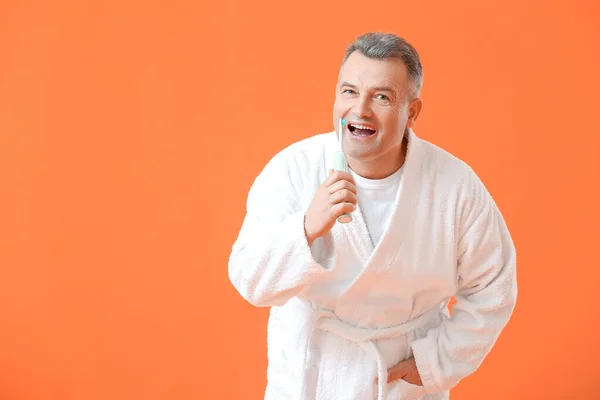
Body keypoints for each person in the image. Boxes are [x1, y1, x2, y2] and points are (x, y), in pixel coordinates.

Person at [228, 32, 517, 400]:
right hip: (309, 377)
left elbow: (495, 286)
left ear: (411, 112)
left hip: (398, 384)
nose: (360, 109)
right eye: (349, 91)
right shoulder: (294, 169)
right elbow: (250, 281)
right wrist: (306, 228)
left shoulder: (455, 187)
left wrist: (436, 362)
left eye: (381, 96)